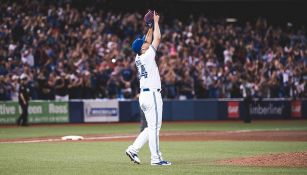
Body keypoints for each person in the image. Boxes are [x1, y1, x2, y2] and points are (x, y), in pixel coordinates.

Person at [125, 11, 172, 166]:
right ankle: (156, 159)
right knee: (155, 128)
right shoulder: (146, 56)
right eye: (144, 42)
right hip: (152, 95)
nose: (146, 41)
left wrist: (150, 26)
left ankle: (133, 149)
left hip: (144, 96)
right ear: (142, 48)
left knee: (150, 128)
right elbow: (157, 39)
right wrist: (157, 23)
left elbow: (148, 39)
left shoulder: (138, 56)